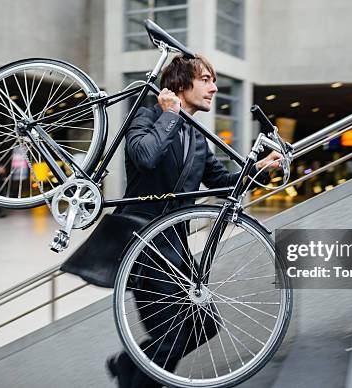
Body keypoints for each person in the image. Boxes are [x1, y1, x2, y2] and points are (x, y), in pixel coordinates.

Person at [106, 54, 281, 388]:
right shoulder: (147, 116)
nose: (214, 88)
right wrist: (170, 114)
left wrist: (259, 168)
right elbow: (146, 156)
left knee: (206, 324)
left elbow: (223, 182)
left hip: (177, 253)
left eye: (212, 81)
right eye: (205, 80)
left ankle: (128, 364)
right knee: (171, 336)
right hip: (145, 250)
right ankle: (134, 374)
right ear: (180, 85)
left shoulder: (197, 138)